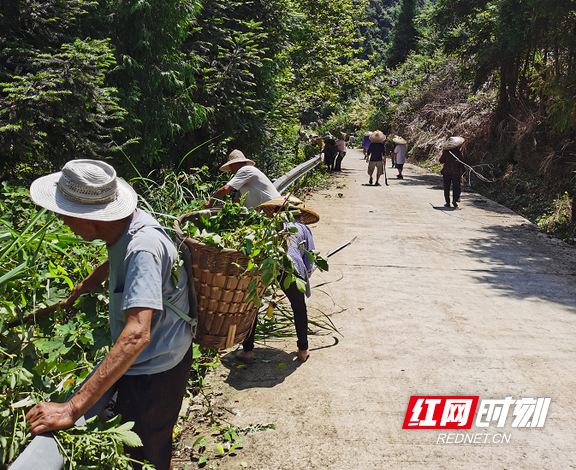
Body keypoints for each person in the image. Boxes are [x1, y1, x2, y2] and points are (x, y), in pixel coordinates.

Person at [26, 159, 193, 470]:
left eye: (66, 215)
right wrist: (89, 283)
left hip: (155, 373)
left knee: (147, 455)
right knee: (154, 440)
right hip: (160, 358)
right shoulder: (128, 226)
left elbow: (136, 336)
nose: (63, 221)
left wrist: (71, 409)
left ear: (92, 221)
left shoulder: (142, 249)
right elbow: (117, 252)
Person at [236, 195, 320, 364]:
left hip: (265, 267)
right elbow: (309, 258)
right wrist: (305, 276)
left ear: (276, 213)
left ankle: (247, 351)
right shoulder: (302, 228)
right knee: (299, 307)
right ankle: (303, 349)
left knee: (253, 306)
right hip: (290, 269)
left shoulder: (266, 227)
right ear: (298, 214)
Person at [205, 149, 280, 209]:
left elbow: (226, 188)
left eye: (230, 166)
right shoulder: (242, 182)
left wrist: (210, 202)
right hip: (265, 209)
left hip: (271, 205)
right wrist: (215, 209)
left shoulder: (245, 170)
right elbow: (235, 204)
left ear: (234, 164)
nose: (231, 169)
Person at [439, 136, 466, 208]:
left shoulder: (446, 153)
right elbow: (462, 164)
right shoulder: (459, 154)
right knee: (456, 187)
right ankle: (455, 200)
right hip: (456, 173)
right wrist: (464, 174)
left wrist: (443, 153)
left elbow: (441, 161)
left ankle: (447, 202)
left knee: (446, 188)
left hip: (446, 172)